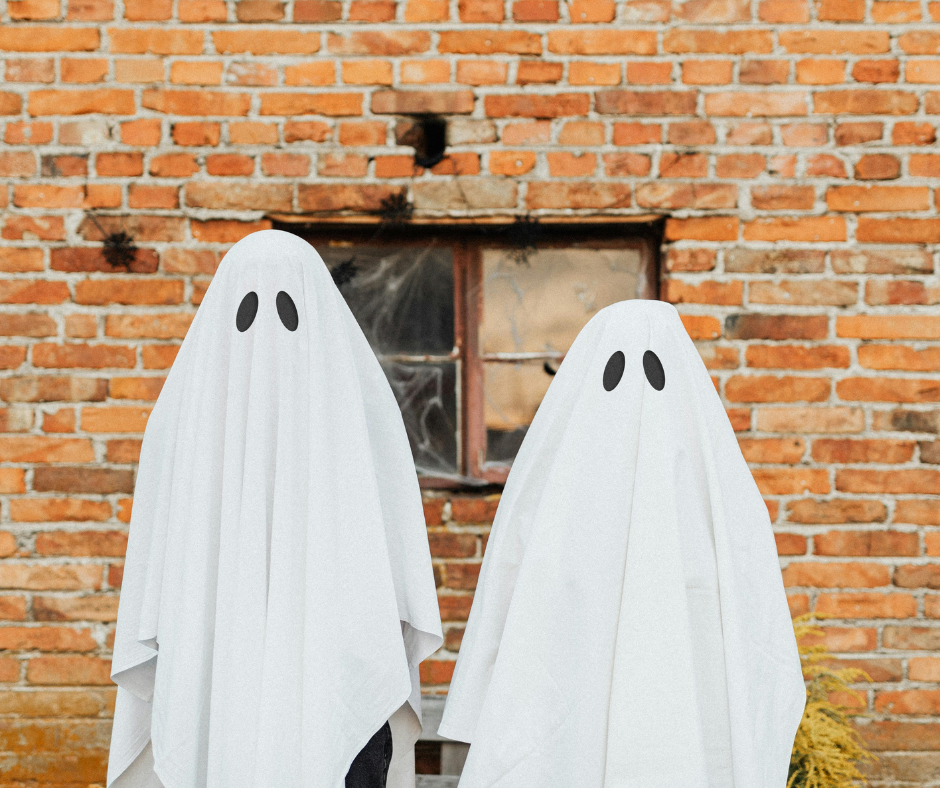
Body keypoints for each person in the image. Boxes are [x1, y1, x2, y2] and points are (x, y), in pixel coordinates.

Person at [107, 230, 442, 788]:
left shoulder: (362, 413)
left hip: (339, 677)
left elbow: (391, 565)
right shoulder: (178, 425)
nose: (266, 339)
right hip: (213, 671)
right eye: (248, 311)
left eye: (287, 310)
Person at [439, 299, 805, 788]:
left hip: (689, 737)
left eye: (654, 371)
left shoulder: (723, 505)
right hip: (564, 737)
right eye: (616, 370)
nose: (636, 396)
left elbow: (759, 633)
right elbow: (505, 607)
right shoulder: (550, 497)